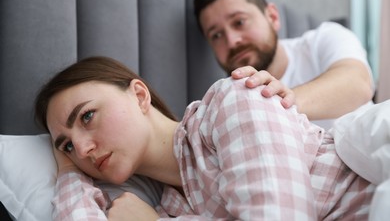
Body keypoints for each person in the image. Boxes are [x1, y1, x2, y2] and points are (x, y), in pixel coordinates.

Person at [35, 56, 375, 220]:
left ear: (139, 96)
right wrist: (68, 175)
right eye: (66, 145)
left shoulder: (234, 100)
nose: (81, 148)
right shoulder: (165, 208)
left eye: (87, 116)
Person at [193, 0, 375, 129]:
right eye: (216, 35)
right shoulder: (222, 103)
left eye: (239, 22)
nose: (232, 41)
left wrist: (284, 101)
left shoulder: (324, 38)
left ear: (272, 16)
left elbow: (358, 83)